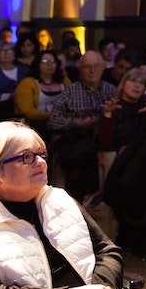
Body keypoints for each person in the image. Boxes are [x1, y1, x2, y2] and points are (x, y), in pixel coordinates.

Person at [0, 121, 138, 289]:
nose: (41, 162)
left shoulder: (60, 200)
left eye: (41, 154)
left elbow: (107, 251)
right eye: (26, 157)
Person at [96, 68, 146, 238]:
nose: (137, 85)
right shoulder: (113, 107)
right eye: (132, 80)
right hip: (122, 164)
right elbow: (106, 143)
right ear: (123, 83)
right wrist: (108, 116)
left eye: (142, 83)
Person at [47, 51, 114, 200]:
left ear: (103, 68)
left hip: (104, 141)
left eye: (96, 66)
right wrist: (78, 123)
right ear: (80, 69)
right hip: (76, 140)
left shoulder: (111, 90)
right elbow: (53, 120)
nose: (92, 71)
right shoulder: (70, 91)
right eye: (87, 67)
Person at [14, 52, 67, 139]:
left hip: (64, 122)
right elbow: (28, 111)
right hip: (36, 123)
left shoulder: (65, 81)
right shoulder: (27, 83)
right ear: (37, 64)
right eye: (45, 61)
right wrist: (52, 115)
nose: (49, 64)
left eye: (52, 61)